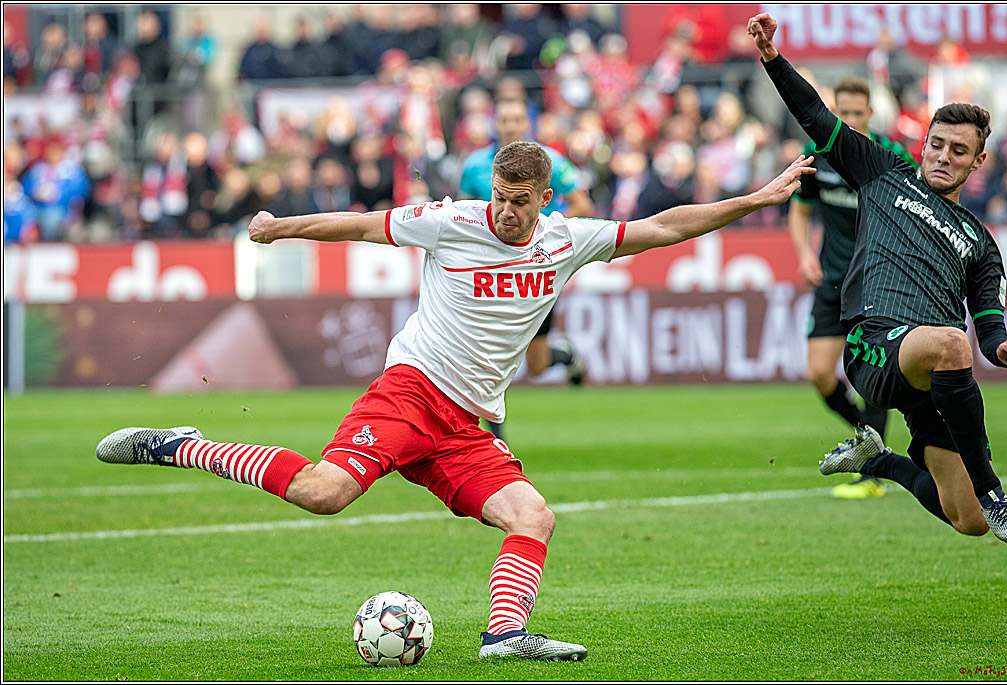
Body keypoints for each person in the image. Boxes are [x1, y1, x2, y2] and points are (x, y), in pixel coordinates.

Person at [97, 140, 815, 660]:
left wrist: (756, 199)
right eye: (498, 196)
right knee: (323, 491)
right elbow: (359, 225)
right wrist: (278, 228)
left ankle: (504, 635)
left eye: (517, 201)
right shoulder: (452, 221)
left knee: (533, 514)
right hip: (411, 391)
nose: (503, 210)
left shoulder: (566, 241)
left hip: (465, 424)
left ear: (545, 200)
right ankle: (183, 443)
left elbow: (666, 228)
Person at [748, 13, 1007, 544]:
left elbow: (988, 329)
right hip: (872, 347)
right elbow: (814, 115)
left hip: (932, 376)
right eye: (937, 144)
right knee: (947, 341)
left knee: (967, 521)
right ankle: (998, 495)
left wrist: (1003, 348)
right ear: (924, 143)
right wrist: (773, 59)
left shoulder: (982, 244)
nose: (944, 156)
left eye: (958, 151)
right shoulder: (882, 174)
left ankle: (880, 461)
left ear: (978, 161)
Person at [788, 75, 917, 500]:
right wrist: (804, 253)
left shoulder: (890, 155)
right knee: (820, 374)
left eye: (856, 114)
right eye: (840, 113)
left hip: (876, 282)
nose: (848, 120)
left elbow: (914, 214)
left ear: (870, 115)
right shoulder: (816, 154)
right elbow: (801, 210)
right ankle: (869, 438)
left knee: (872, 372)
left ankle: (872, 476)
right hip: (831, 277)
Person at [459, 96, 593, 441]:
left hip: (535, 270)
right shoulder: (475, 165)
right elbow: (461, 213)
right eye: (504, 119)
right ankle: (493, 437)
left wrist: (542, 233)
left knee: (535, 365)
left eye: (517, 119)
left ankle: (563, 355)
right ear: (495, 124)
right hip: (488, 272)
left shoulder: (552, 163)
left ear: (527, 123)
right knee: (484, 345)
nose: (510, 126)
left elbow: (582, 203)